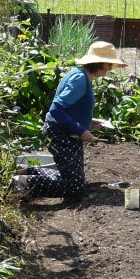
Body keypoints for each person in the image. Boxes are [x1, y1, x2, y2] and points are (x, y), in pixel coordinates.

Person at [12, 41, 126, 203]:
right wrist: (81, 131)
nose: (109, 68)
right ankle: (21, 183)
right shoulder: (80, 79)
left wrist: (89, 121)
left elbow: (70, 108)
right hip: (61, 135)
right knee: (75, 187)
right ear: (97, 62)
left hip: (66, 134)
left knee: (72, 178)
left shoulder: (81, 76)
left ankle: (25, 171)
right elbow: (56, 109)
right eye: (108, 64)